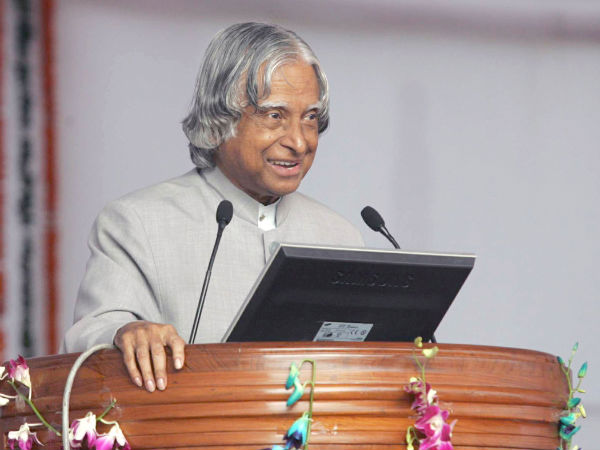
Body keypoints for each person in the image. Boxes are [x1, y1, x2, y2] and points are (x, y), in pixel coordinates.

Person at [62, 23, 364, 393]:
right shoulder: (137, 222)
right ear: (221, 119)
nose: (299, 142)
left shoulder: (340, 236)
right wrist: (125, 331)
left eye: (310, 117)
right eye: (274, 116)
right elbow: (91, 336)